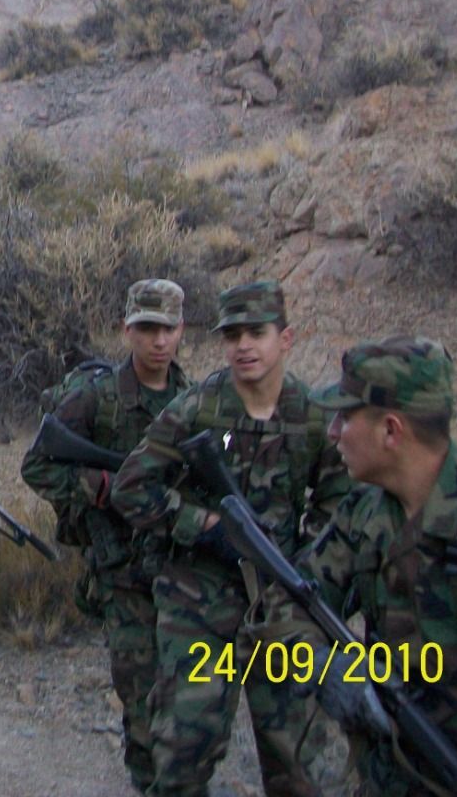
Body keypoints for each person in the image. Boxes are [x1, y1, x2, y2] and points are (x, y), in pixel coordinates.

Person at [112, 281, 348, 797]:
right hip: (198, 601)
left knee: (297, 757)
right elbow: (132, 488)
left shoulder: (311, 416)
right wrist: (205, 528)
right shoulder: (196, 410)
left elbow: (337, 502)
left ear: (285, 339)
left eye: (256, 333)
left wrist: (304, 563)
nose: (244, 345)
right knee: (184, 748)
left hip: (279, 603)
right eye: (233, 334)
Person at [272, 336, 457, 796]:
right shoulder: (365, 515)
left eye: (345, 417)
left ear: (391, 430)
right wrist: (331, 672)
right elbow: (282, 608)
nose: (332, 432)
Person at [20, 279, 192, 790]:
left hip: (182, 570)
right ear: (127, 331)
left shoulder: (194, 400)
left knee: (187, 691)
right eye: (147, 329)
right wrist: (96, 487)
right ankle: (147, 779)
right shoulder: (96, 398)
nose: (158, 341)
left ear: (182, 331)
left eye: (167, 329)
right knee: (139, 691)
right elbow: (37, 466)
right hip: (121, 571)